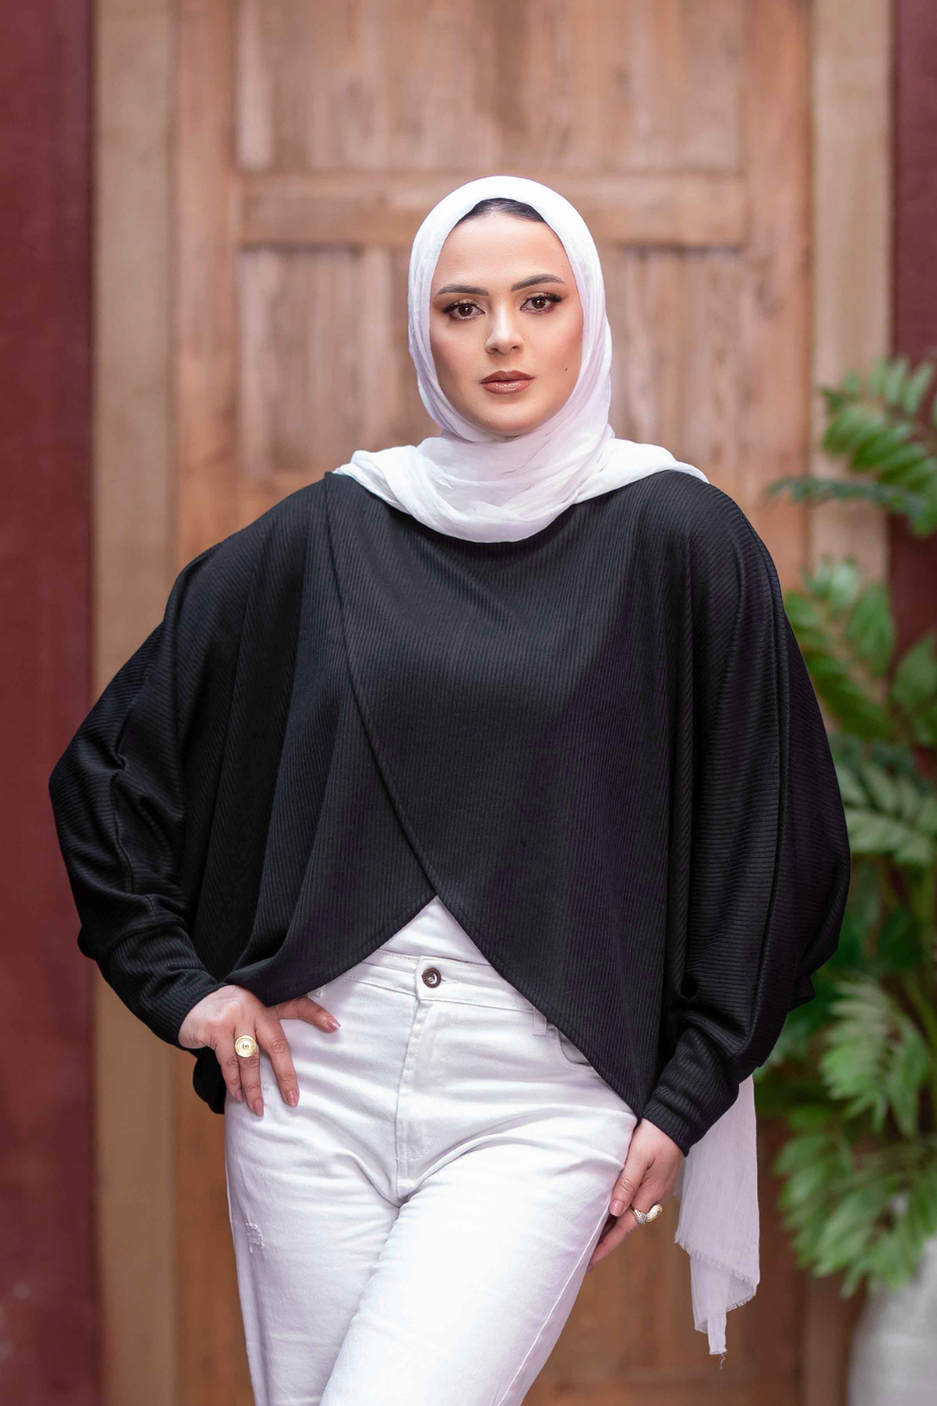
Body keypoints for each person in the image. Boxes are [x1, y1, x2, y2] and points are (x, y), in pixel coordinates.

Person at [48, 174, 851, 1403]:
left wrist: (684, 1093)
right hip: (312, 1091)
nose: (502, 338)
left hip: (535, 1101)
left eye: (539, 299)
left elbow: (772, 839)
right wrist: (188, 991)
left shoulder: (678, 538)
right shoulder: (333, 529)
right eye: (461, 307)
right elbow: (111, 770)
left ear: (591, 314)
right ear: (421, 332)